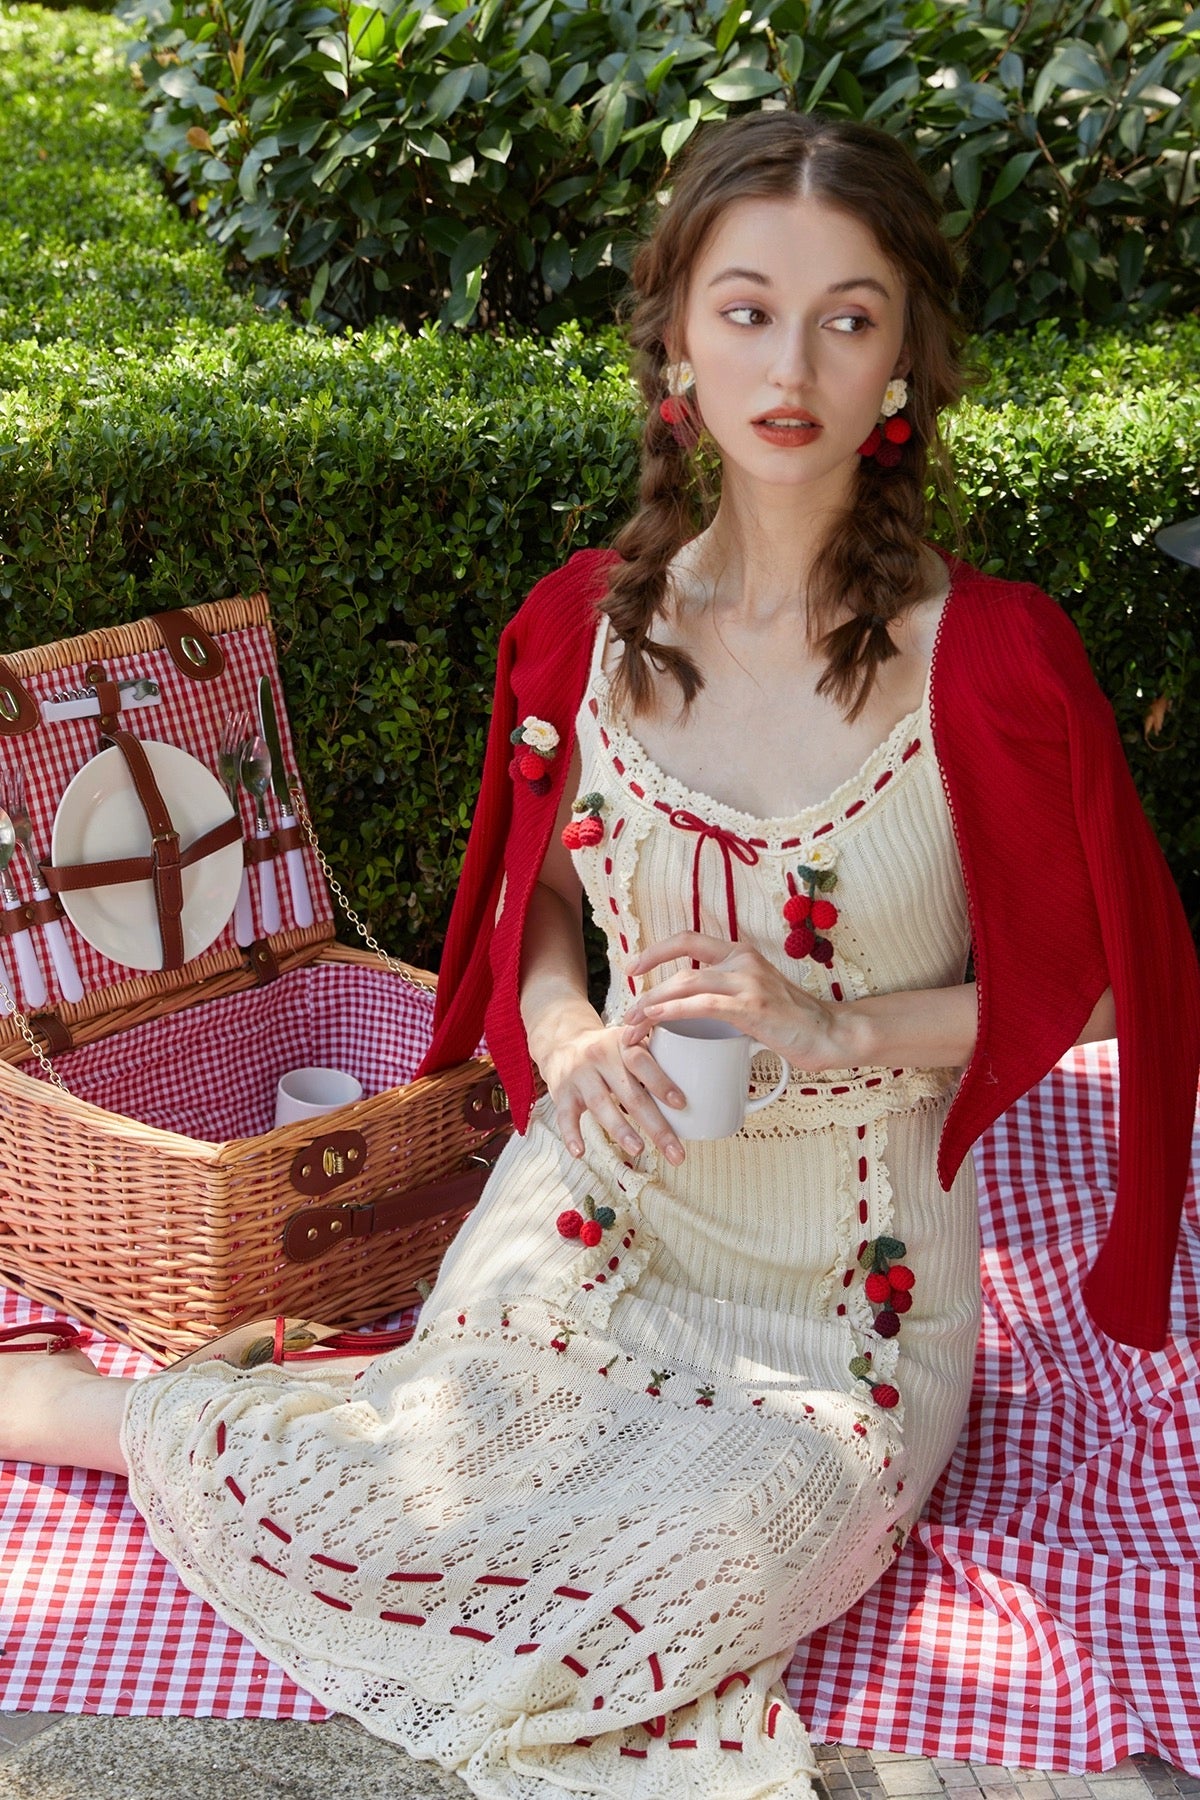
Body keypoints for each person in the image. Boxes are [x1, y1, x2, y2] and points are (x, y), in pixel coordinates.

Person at [2, 110, 1197, 1800]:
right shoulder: (584, 627)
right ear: (678, 339)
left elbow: (1111, 988)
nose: (792, 365)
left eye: (848, 318)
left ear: (904, 361)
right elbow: (536, 913)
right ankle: (115, 1415)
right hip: (596, 1199)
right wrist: (564, 1041)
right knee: (414, 1499)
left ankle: (203, 1418)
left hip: (843, 1288)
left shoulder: (992, 655)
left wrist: (837, 1029)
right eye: (748, 310)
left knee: (682, 1589)